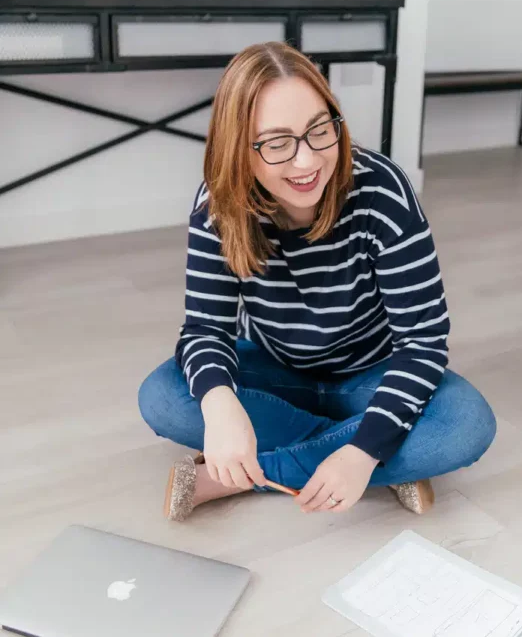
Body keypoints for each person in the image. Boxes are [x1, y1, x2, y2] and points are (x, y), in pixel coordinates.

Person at [138, 41, 496, 521]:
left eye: (318, 131)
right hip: (273, 368)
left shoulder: (383, 191)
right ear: (237, 147)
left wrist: (361, 453)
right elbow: (206, 330)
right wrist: (222, 404)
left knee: (465, 425)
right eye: (277, 142)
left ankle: (270, 472)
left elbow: (424, 343)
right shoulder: (218, 204)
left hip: (370, 372)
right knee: (163, 396)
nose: (306, 162)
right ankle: (384, 447)